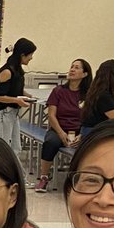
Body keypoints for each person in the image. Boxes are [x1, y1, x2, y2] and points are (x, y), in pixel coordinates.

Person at [33, 58, 92, 191]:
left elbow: (90, 117)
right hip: (59, 128)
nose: (72, 70)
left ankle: (81, 179)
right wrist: (61, 133)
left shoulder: (88, 94)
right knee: (50, 142)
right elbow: (51, 115)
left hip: (79, 131)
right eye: (72, 66)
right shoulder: (58, 91)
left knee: (89, 146)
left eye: (77, 68)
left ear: (85, 74)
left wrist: (82, 134)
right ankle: (44, 177)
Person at [0, 37, 36, 156]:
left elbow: (15, 89)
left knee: (16, 147)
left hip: (13, 113)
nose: (31, 58)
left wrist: (27, 96)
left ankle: (15, 171)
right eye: (30, 55)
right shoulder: (7, 72)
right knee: (4, 148)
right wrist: (17, 100)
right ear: (22, 55)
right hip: (3, 113)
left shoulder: (18, 70)